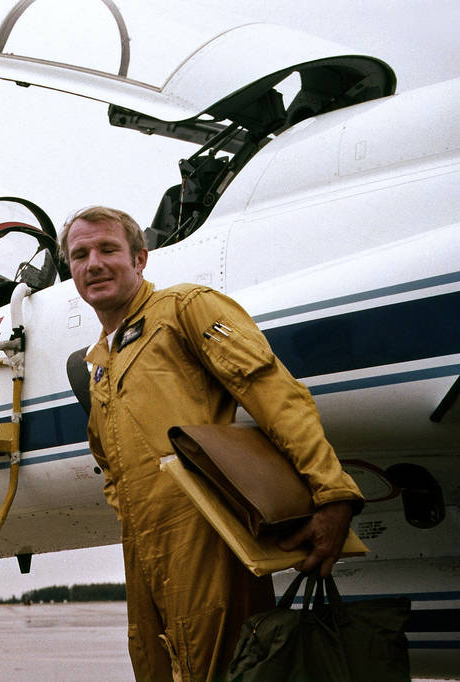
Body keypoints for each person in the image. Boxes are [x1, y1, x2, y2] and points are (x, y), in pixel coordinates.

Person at [61, 206, 364, 682]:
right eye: (80, 255)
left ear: (140, 259)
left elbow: (274, 394)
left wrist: (332, 492)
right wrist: (136, 519)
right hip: (143, 543)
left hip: (206, 529)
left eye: (108, 249)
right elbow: (111, 465)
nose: (93, 263)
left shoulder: (185, 308)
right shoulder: (98, 361)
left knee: (224, 668)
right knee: (155, 665)